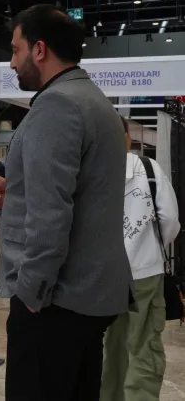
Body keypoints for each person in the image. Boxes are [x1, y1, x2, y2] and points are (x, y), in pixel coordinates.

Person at [0, 4, 134, 401]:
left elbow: (51, 215)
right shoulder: (94, 100)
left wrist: (31, 292)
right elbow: (84, 191)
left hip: (55, 299)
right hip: (89, 294)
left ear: (40, 49)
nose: (12, 63)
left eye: (15, 50)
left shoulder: (57, 104)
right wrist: (17, 190)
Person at [100, 118, 180, 401]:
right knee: (144, 344)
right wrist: (147, 247)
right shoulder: (148, 169)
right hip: (145, 272)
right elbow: (169, 221)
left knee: (107, 345)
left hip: (102, 275)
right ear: (128, 138)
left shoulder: (86, 171)